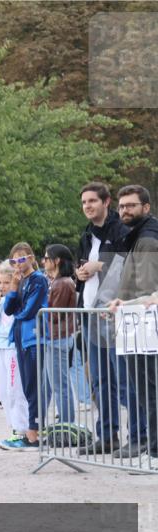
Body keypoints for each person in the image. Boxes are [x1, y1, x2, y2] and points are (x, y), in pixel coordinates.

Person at [74, 182, 129, 453]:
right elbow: (81, 266)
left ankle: (145, 438)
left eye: (92, 201)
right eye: (84, 202)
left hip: (112, 314)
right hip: (90, 313)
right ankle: (107, 436)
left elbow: (130, 265)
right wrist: (80, 273)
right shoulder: (86, 235)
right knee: (99, 380)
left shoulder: (120, 230)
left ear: (106, 202)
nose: (87, 206)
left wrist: (101, 265)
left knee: (124, 379)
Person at [110, 185, 158, 459]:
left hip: (144, 326)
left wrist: (124, 305)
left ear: (146, 208)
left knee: (150, 391)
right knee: (145, 392)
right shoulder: (137, 236)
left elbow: (149, 291)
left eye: (131, 206)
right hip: (135, 323)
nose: (125, 211)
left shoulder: (148, 240)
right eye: (122, 206)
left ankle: (155, 451)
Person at [3, 242, 49, 447]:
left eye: (22, 259)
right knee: (27, 385)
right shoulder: (20, 281)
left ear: (31, 258)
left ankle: (34, 431)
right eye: (14, 260)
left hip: (33, 337)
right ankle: (32, 429)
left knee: (34, 386)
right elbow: (8, 309)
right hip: (20, 338)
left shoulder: (38, 279)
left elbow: (28, 311)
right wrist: (13, 287)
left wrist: (17, 314)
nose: (18, 264)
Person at [0, 264, 31, 450]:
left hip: (12, 348)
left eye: (6, 282)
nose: (2, 286)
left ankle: (22, 428)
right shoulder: (1, 302)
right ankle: (13, 427)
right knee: (4, 391)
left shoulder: (17, 300)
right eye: (0, 282)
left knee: (15, 389)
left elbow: (9, 329)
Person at [40, 244, 78, 427]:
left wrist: (40, 307)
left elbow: (55, 314)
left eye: (47, 258)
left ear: (57, 261)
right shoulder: (56, 282)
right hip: (54, 337)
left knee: (60, 384)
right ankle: (41, 421)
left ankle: (66, 423)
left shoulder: (63, 283)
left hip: (59, 337)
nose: (43, 261)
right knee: (50, 383)